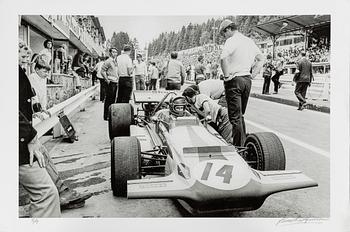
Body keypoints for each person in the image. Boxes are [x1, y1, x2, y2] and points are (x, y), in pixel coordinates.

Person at [28, 55, 93, 209]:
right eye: (43, 69)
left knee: (42, 151)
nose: (45, 72)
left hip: (31, 118)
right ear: (36, 69)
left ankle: (61, 191)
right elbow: (32, 97)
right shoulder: (29, 78)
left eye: (47, 70)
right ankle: (60, 193)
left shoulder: (39, 79)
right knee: (39, 153)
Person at [19, 40, 61, 217]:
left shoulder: (20, 72)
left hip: (21, 137)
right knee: (46, 195)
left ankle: (63, 190)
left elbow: (28, 102)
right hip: (19, 144)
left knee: (43, 156)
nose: (26, 53)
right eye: (21, 50)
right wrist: (30, 138)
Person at [219, 19, 264, 146]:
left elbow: (223, 58)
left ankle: (238, 147)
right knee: (240, 115)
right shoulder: (248, 41)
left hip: (235, 80)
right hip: (246, 79)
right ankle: (242, 142)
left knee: (235, 117)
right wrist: (253, 75)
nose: (224, 36)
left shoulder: (231, 40)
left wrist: (227, 76)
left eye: (224, 33)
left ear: (228, 29)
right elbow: (261, 59)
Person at [101, 47, 119, 120]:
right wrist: (107, 79)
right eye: (113, 52)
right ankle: (106, 116)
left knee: (113, 99)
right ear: (110, 53)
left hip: (115, 82)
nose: (115, 53)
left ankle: (111, 115)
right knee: (108, 99)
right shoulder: (108, 61)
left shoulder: (114, 61)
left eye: (116, 52)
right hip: (110, 82)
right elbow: (102, 71)